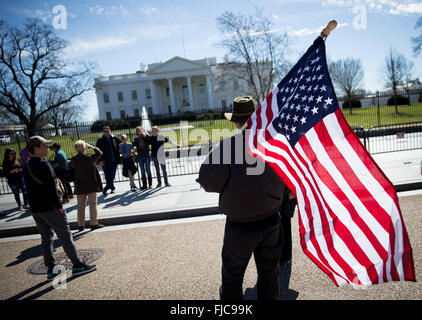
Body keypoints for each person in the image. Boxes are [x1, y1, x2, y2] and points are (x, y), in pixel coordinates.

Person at [197, 96, 286, 300]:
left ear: (236, 121)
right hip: (271, 217)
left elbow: (208, 181)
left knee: (232, 278)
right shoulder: (272, 141)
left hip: (240, 225)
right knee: (269, 275)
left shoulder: (228, 146)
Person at [23, 136, 97, 281]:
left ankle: (51, 269)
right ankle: (77, 265)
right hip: (50, 207)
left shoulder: (26, 165)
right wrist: (59, 205)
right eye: (44, 146)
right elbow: (51, 187)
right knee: (65, 235)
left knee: (46, 238)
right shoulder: (44, 164)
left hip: (36, 209)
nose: (47, 148)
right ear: (36, 148)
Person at [70, 140, 105, 232]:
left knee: (81, 206)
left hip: (79, 185)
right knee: (92, 204)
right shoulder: (89, 158)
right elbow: (100, 153)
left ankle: (81, 225)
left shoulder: (74, 159)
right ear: (84, 148)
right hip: (91, 184)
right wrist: (92, 147)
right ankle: (93, 223)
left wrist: (84, 147)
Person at [96, 126, 121, 195]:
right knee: (107, 176)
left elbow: (121, 145)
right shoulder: (100, 140)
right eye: (105, 131)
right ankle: (112, 188)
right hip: (105, 161)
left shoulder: (115, 138)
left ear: (110, 131)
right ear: (103, 132)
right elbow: (97, 151)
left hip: (114, 160)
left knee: (112, 175)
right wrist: (100, 161)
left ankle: (106, 187)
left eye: (107, 131)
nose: (106, 132)